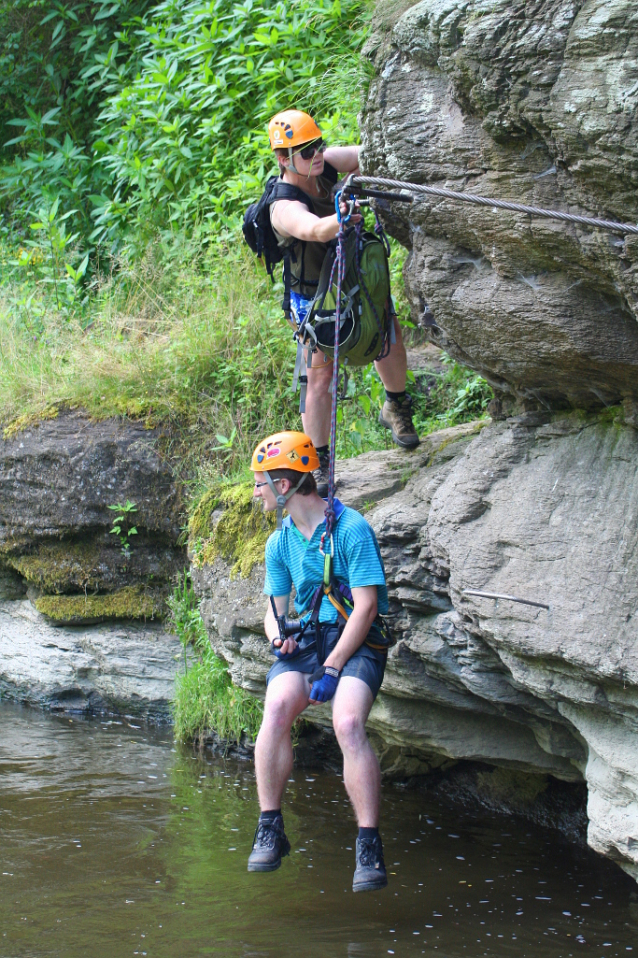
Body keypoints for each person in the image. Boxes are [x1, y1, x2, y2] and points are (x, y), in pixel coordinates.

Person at [247, 430, 389, 892]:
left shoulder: (351, 530)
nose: (256, 490)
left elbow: (366, 608)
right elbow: (275, 611)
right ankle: (270, 825)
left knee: (348, 724)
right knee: (276, 709)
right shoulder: (279, 543)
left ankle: (368, 844)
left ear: (284, 485)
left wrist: (333, 667)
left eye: (260, 481)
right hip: (307, 642)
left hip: (354, 639)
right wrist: (278, 641)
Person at [268, 109, 419, 494]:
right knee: (319, 375)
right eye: (305, 150)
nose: (316, 153)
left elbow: (371, 154)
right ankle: (319, 461)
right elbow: (313, 229)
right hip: (313, 299)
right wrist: (342, 217)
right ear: (284, 159)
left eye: (317, 144)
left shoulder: (325, 166)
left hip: (351, 278)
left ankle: (396, 406)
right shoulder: (282, 206)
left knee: (385, 334)